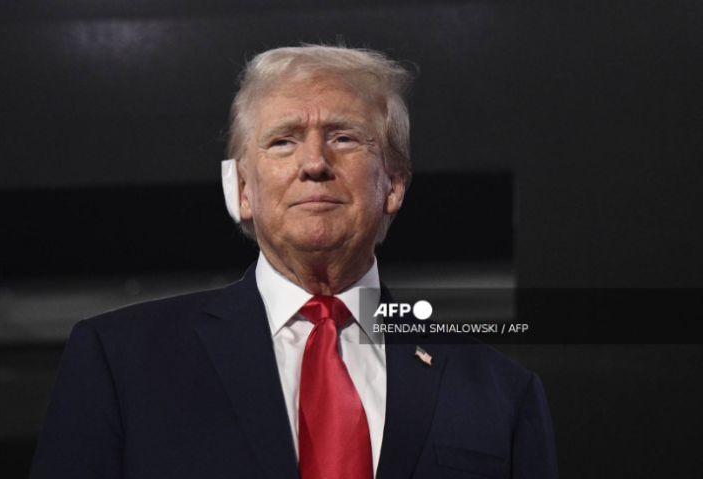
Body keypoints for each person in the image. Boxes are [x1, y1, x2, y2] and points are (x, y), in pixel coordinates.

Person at [30, 44, 557, 479]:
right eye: (282, 141)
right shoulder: (120, 361)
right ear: (241, 189)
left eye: (344, 138)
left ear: (393, 184)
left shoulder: (499, 393)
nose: (314, 164)